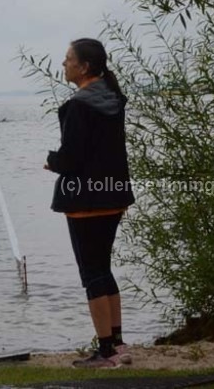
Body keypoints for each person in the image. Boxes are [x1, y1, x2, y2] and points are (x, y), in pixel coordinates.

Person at [45, 38, 135, 368]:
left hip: (85, 200)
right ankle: (117, 343)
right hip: (113, 196)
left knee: (91, 274)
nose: (64, 64)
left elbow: (72, 158)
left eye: (68, 59)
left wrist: (52, 161)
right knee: (103, 268)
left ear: (83, 67)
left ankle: (107, 351)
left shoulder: (78, 106)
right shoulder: (113, 98)